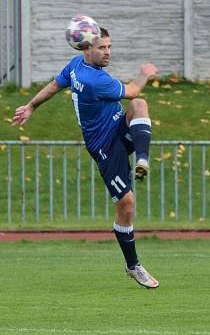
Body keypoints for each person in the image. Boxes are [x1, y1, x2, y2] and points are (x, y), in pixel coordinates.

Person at [12, 26, 159, 288]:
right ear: (87, 47)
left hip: (117, 128)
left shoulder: (75, 66)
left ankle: (143, 160)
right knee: (126, 204)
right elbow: (133, 89)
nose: (108, 52)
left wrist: (31, 106)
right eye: (102, 47)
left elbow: (54, 85)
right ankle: (133, 265)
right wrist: (145, 74)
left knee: (139, 107)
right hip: (104, 146)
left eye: (109, 47)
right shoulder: (94, 80)